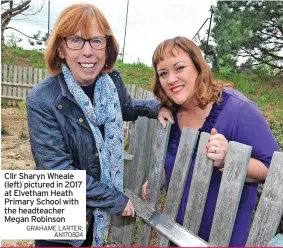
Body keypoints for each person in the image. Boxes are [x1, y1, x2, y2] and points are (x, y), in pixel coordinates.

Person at [26, 3, 173, 247]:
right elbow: (58, 173)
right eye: (76, 40)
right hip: (58, 211)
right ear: (61, 48)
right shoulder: (42, 99)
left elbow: (126, 107)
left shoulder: (111, 83)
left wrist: (156, 107)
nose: (88, 51)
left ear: (107, 48)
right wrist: (114, 199)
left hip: (94, 213)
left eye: (96, 41)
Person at [141, 36, 280, 246]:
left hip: (222, 240)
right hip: (176, 235)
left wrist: (229, 160)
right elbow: (178, 162)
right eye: (163, 73)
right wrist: (158, 177)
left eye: (179, 68)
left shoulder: (238, 110)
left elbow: (276, 171)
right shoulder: (170, 114)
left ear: (199, 67)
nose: (171, 79)